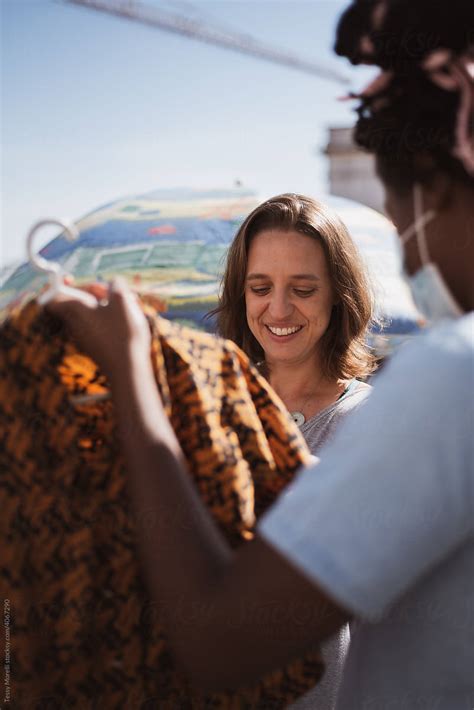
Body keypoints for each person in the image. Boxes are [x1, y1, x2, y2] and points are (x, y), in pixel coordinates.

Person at [47, 0, 474, 707]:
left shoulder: (447, 380)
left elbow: (221, 641)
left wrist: (132, 378)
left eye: (399, 213)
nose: (404, 243)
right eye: (260, 287)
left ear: (435, 183)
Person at [212, 193, 375, 455]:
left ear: (338, 292)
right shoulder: (210, 406)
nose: (279, 311)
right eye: (260, 289)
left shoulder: (368, 418)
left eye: (302, 290)